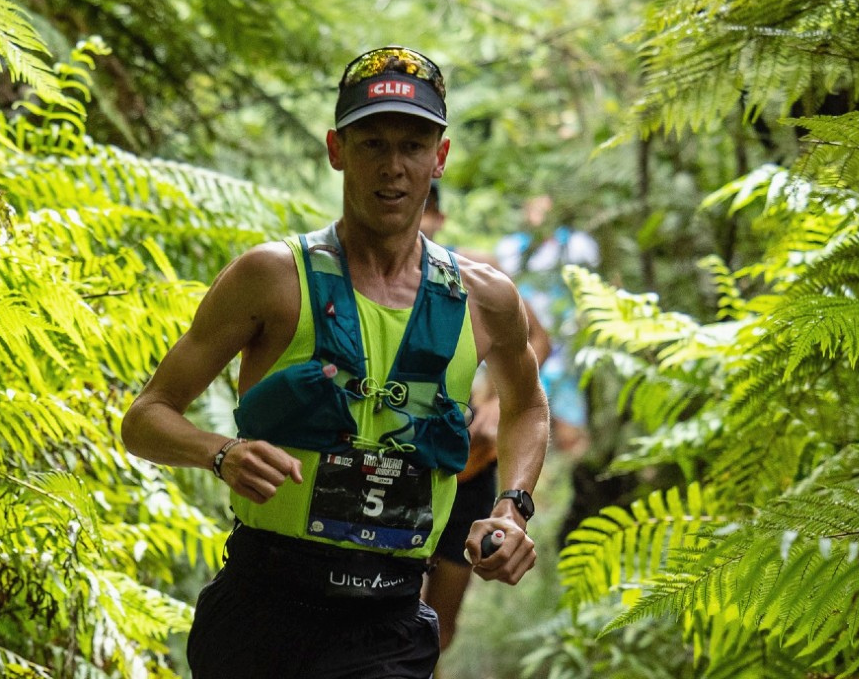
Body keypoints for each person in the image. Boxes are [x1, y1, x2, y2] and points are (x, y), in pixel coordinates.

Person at [121, 45, 549, 679]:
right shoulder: (271, 277)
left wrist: (511, 507)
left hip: (391, 621)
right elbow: (145, 418)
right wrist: (221, 453)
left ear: (440, 157)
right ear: (336, 150)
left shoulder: (483, 299)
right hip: (261, 611)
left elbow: (527, 406)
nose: (393, 168)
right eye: (371, 143)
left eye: (412, 145)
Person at [418, 181, 553, 661]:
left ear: (440, 219)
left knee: (441, 623)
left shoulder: (475, 276)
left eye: (429, 212)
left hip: (471, 466)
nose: (420, 222)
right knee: (399, 614)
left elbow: (538, 338)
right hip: (412, 468)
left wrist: (496, 401)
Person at [494, 194, 599, 455]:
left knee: (568, 417)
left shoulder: (576, 246)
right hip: (525, 344)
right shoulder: (511, 250)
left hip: (565, 345)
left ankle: (569, 475)